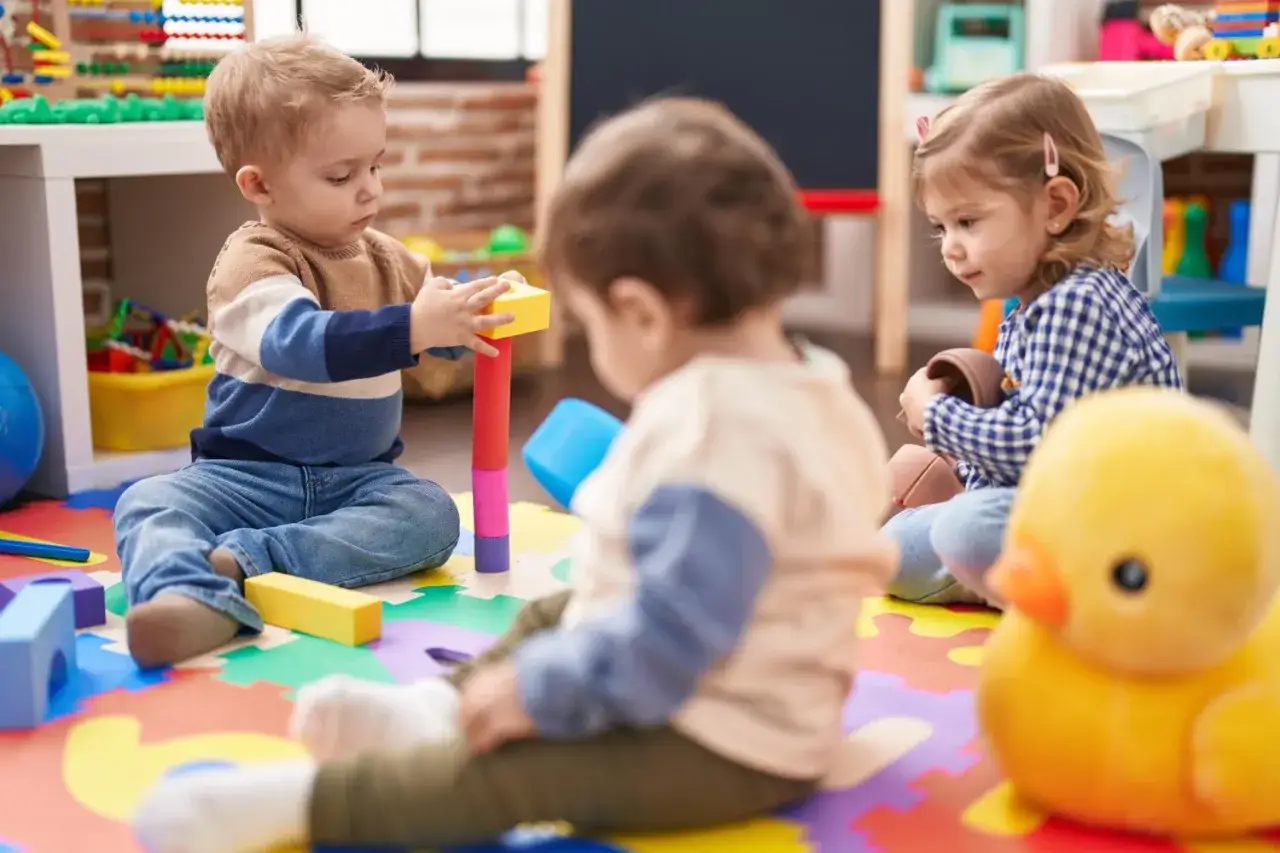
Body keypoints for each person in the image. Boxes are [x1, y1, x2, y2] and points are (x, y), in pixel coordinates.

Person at [130, 96, 900, 853]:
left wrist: (536, 695)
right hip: (749, 672)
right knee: (552, 612)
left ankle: (299, 807)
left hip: (726, 739)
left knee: (512, 773)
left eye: (591, 323)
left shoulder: (718, 435)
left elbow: (666, 644)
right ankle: (437, 708)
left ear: (641, 313)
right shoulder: (812, 382)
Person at [112, 34, 518, 668]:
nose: (369, 191)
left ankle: (247, 561)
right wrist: (415, 328)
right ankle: (186, 601)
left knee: (431, 514)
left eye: (375, 166)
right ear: (260, 185)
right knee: (148, 501)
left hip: (358, 480)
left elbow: (447, 339)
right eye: (341, 175)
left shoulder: (389, 258)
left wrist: (484, 307)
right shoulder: (253, 261)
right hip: (241, 477)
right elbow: (297, 345)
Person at [885, 72, 1183, 607]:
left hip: (1123, 529)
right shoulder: (1039, 302)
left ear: (1055, 206)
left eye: (969, 221)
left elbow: (1034, 443)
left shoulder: (1077, 304)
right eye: (941, 227)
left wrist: (937, 418)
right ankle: (984, 557)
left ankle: (1068, 601)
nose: (951, 248)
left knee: (961, 531)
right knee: (909, 505)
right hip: (1062, 500)